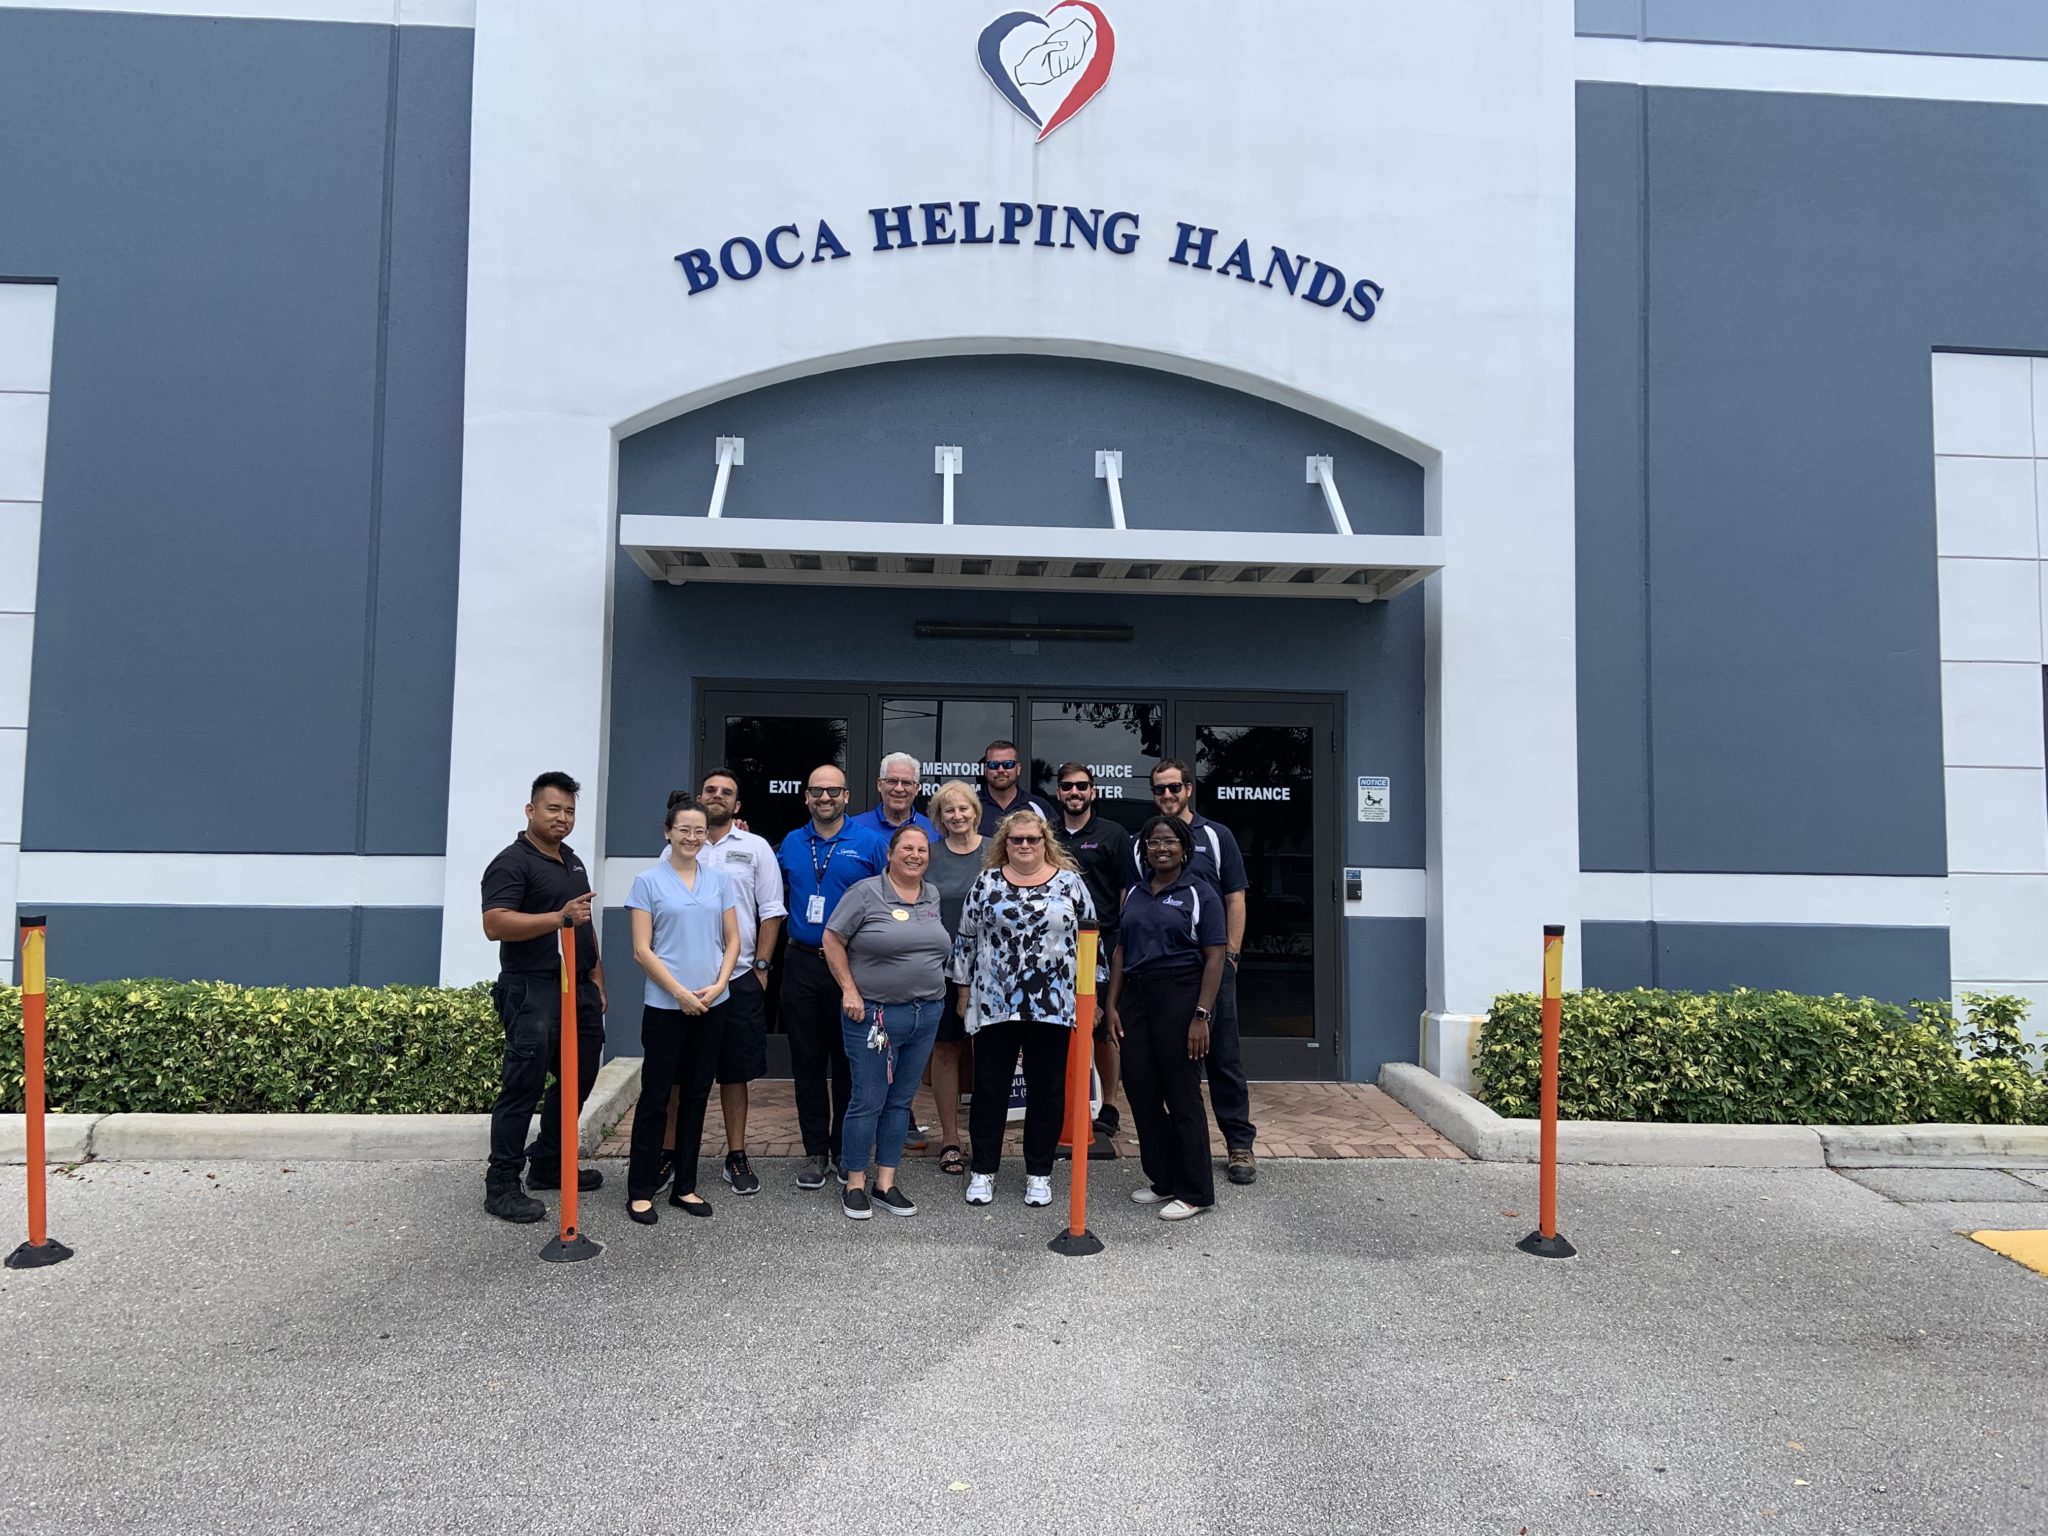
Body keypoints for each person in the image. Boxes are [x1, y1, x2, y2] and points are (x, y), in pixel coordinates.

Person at [479, 771, 608, 1224]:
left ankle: (549, 1164)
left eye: (569, 811)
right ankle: (501, 1185)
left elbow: (583, 922)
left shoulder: (571, 860)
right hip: (532, 987)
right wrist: (557, 918)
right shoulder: (511, 862)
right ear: (531, 810)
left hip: (578, 987)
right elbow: (495, 923)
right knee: (523, 1086)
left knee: (579, 1076)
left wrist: (597, 977)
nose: (563, 818)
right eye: (554, 809)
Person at [949, 810, 1096, 1207]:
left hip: (1052, 1004)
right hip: (994, 1002)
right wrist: (962, 992)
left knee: (1047, 1090)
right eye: (1017, 839)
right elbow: (966, 937)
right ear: (1006, 843)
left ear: (1045, 841)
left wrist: (1090, 998)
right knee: (989, 1089)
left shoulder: (1070, 883)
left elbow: (1090, 938)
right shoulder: (987, 882)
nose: (1025, 845)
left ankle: (1039, 1173)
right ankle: (983, 1171)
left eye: (1033, 839)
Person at [1135, 758, 1259, 1186]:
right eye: (1159, 789)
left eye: (1174, 787)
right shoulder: (1144, 841)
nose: (1167, 795)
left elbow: (1235, 897)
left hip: (1211, 967)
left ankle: (1239, 1142)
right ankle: (1180, 1154)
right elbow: (1136, 899)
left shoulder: (1216, 836)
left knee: (1223, 1055)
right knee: (1175, 1066)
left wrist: (1231, 956)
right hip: (1163, 978)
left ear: (1189, 789)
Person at [624, 795, 740, 1224]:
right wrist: (678, 992)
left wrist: (720, 984)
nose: (692, 837)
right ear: (668, 832)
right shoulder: (647, 882)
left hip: (712, 1004)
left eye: (699, 830)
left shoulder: (719, 881)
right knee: (656, 1096)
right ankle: (640, 1190)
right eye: (684, 829)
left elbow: (733, 940)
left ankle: (685, 1186)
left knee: (696, 1094)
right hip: (665, 1007)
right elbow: (641, 950)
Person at [822, 825, 950, 1219]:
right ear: (890, 854)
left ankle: (885, 1183)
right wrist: (849, 990)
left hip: (925, 1012)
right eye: (906, 848)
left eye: (922, 850)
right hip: (873, 1015)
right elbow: (832, 939)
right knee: (868, 1100)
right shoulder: (865, 893)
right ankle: (854, 1182)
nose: (915, 855)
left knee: (900, 1102)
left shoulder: (931, 894)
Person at [1106, 815, 1228, 1221]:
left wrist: (1201, 1015)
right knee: (1141, 1090)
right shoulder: (1136, 893)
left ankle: (1195, 1191)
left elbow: (1215, 957)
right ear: (1145, 850)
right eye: (1154, 842)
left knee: (1181, 1094)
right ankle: (1163, 1179)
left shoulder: (1200, 893)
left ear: (1184, 848)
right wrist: (1112, 1005)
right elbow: (1121, 952)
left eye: (1170, 842)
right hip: (1137, 998)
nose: (1161, 848)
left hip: (1181, 995)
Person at [671, 770, 784, 1198]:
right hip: (687, 983)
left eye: (727, 792)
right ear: (699, 797)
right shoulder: (679, 848)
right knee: (680, 1074)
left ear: (737, 806)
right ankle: (670, 1152)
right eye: (711, 790)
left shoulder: (755, 848)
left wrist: (762, 968)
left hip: (738, 979)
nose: (717, 796)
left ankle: (736, 1155)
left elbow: (771, 910)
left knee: (735, 1074)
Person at [776, 762, 886, 1190]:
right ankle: (815, 1151)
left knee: (848, 1062)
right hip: (801, 961)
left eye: (833, 791)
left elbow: (888, 897)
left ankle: (844, 1150)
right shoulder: (790, 842)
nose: (825, 798)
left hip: (852, 965)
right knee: (806, 1060)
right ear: (806, 797)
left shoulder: (871, 843)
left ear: (846, 797)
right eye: (817, 791)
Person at [1049, 761, 1131, 1143]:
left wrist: (1123, 940)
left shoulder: (1113, 834)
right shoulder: (1046, 833)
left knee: (1102, 1026)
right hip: (1055, 944)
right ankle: (1062, 1104)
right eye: (1067, 786)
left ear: (1093, 791)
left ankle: (1109, 1106)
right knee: (1057, 1027)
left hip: (1104, 941)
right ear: (1059, 792)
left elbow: (1126, 890)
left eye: (1081, 786)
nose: (1074, 792)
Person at [924, 779, 985, 1175]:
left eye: (964, 808)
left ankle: (984, 1137)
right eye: (949, 810)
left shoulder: (998, 850)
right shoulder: (928, 855)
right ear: (940, 818)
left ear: (975, 812)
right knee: (946, 1050)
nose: (958, 815)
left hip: (993, 970)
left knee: (989, 1054)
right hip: (942, 969)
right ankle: (950, 1139)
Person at [849, 751, 938, 842]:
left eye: (906, 783)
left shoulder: (934, 830)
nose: (899, 789)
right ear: (880, 785)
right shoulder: (854, 827)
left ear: (916, 788)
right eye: (892, 781)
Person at [976, 738, 1051, 836]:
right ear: (986, 770)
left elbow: (1055, 843)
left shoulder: (1039, 807)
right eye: (993, 765)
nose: (1001, 770)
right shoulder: (971, 806)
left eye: (1008, 764)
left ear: (1018, 769)